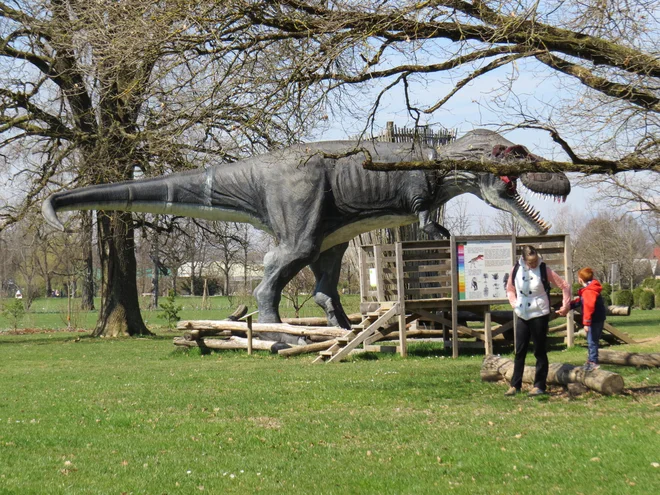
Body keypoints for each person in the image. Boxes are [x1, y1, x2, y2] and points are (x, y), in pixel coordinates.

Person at [504, 245, 571, 397]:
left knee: (539, 351)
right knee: (519, 351)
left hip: (539, 313)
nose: (533, 264)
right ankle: (515, 385)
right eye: (530, 262)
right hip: (522, 313)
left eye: (535, 261)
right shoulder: (516, 269)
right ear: (524, 259)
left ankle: (539, 385)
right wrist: (514, 304)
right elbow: (509, 289)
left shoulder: (544, 269)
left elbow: (564, 286)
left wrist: (565, 306)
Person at [571, 267, 606, 371]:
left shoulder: (588, 291)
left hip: (593, 320)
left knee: (592, 341)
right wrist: (569, 305)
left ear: (580, 279)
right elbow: (580, 301)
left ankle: (593, 362)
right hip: (599, 318)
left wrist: (586, 323)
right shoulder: (591, 288)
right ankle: (591, 360)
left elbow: (588, 307)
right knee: (593, 341)